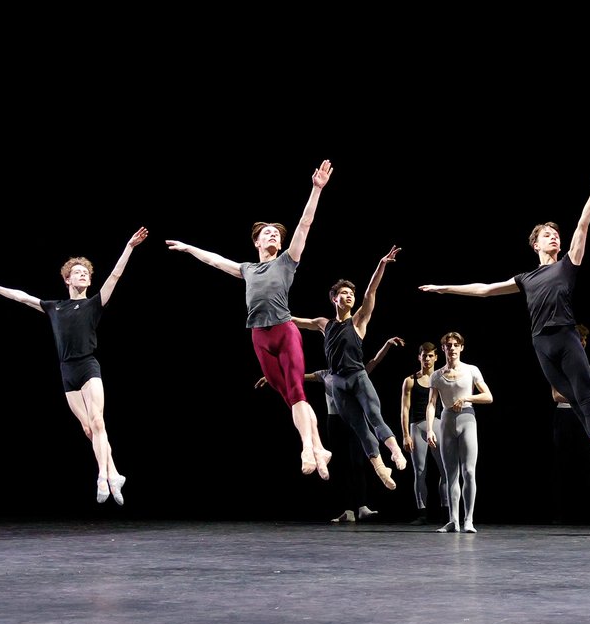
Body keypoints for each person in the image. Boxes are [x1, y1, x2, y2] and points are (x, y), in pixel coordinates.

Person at [419, 162, 590, 498]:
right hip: (541, 346)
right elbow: (485, 289)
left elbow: (583, 225)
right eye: (547, 234)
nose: (553, 235)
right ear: (535, 245)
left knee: (586, 400)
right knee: (575, 403)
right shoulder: (526, 279)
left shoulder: (567, 264)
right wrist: (445, 288)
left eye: (555, 233)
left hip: (566, 336)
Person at [165, 160, 334, 479]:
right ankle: (319, 446)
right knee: (286, 393)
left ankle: (307, 448)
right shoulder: (247, 269)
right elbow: (215, 261)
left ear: (280, 244)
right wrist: (188, 248)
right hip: (259, 336)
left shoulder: (287, 262)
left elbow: (305, 225)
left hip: (285, 332)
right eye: (266, 233)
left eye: (275, 233)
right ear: (257, 242)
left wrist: (315, 189)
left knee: (297, 389)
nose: (272, 235)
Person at [0, 226, 149, 505]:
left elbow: (115, 275)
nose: (82, 274)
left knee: (99, 420)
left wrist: (129, 247)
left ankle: (103, 476)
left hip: (89, 366)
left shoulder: (94, 304)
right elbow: (21, 296)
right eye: (77, 272)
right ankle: (115, 473)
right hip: (67, 371)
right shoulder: (54, 307)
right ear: (67, 279)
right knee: (89, 429)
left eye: (86, 272)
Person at [293, 246, 408, 492]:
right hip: (337, 383)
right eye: (343, 293)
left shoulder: (358, 320)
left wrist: (382, 264)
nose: (348, 297)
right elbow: (295, 321)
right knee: (359, 427)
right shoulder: (323, 324)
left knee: (374, 416)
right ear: (334, 298)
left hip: (358, 376)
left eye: (350, 294)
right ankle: (380, 469)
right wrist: (271, 314)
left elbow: (370, 291)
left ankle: (395, 451)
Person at [277, 336, 404, 523]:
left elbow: (374, 361)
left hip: (353, 421)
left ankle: (362, 506)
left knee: (358, 462)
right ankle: (347, 509)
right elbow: (298, 376)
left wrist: (386, 344)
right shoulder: (325, 374)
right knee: (341, 464)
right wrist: (272, 376)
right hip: (334, 421)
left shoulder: (355, 372)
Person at [426, 331, 493, 533]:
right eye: (448, 345)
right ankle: (452, 520)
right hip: (446, 421)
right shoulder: (437, 375)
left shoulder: (471, 370)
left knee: (469, 471)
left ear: (461, 347)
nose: (452, 348)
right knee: (450, 474)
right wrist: (430, 428)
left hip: (467, 419)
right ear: (443, 348)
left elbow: (488, 396)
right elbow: (431, 403)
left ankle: (469, 519)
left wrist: (466, 398)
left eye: (456, 345)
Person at [551, 324, 590, 524]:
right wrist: (581, 399)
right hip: (564, 417)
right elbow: (556, 395)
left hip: (583, 417)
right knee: (562, 464)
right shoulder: (556, 361)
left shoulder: (585, 363)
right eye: (579, 340)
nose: (582, 344)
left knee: (589, 463)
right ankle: (559, 513)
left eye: (584, 340)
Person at [401, 342, 450, 526]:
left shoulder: (442, 377)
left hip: (438, 426)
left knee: (445, 470)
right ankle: (422, 513)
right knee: (419, 471)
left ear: (436, 357)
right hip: (417, 426)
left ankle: (446, 512)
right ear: (419, 357)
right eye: (424, 355)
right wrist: (405, 434)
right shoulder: (410, 380)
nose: (427, 359)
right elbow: (404, 409)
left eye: (430, 356)